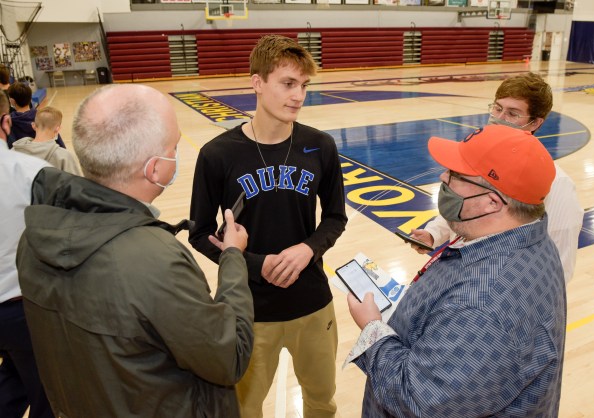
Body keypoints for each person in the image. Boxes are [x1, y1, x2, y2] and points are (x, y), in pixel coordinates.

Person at [15, 84, 254, 417]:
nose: (177, 152)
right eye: (174, 145)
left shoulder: (33, 236)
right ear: (155, 168)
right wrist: (232, 257)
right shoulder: (155, 261)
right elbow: (230, 356)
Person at [346, 124, 566, 417]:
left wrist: (372, 328)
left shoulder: (481, 306)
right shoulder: (525, 236)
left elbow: (416, 400)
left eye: (457, 175)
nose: (443, 177)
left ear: (492, 202)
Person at [189, 34, 347, 418]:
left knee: (322, 403)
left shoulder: (320, 146)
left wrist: (309, 248)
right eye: (288, 84)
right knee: (244, 409)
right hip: (248, 307)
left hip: (312, 300)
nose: (298, 96)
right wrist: (255, 264)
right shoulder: (217, 155)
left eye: (304, 86)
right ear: (257, 82)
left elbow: (335, 217)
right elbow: (199, 232)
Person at [410, 72, 583, 283]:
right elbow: (463, 206)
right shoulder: (481, 155)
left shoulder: (558, 184)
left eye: (512, 113)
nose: (499, 118)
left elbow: (559, 264)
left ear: (535, 123)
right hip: (460, 272)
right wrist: (433, 234)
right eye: (498, 108)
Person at [0, 89, 54, 418]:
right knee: (49, 393)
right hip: (20, 307)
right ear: (7, 123)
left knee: (14, 377)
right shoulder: (29, 171)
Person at [11, 106, 82, 175]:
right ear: (57, 129)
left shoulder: (14, 151)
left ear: (33, 125)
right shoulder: (65, 157)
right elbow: (76, 185)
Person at [7, 82, 66, 149]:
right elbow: (60, 145)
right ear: (30, 98)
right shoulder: (43, 117)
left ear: (12, 101)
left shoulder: (8, 122)